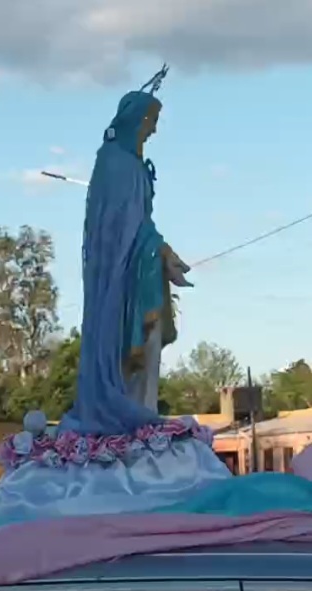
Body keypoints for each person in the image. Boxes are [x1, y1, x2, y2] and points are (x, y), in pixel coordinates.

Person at [59, 65, 193, 436]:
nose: (153, 127)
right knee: (128, 343)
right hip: (124, 272)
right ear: (135, 118)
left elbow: (140, 222)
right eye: (151, 119)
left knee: (149, 346)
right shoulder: (114, 163)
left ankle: (142, 412)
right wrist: (158, 250)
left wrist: (160, 250)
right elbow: (118, 227)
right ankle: (124, 417)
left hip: (144, 264)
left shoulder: (133, 165)